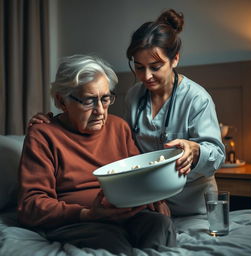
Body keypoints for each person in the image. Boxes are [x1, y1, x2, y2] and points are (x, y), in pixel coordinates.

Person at [29, 9, 225, 216]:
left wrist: (195, 151)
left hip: (190, 203)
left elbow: (217, 155)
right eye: (139, 67)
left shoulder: (196, 99)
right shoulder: (133, 96)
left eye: (155, 67)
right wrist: (55, 121)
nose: (146, 76)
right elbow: (122, 148)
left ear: (174, 59)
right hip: (147, 201)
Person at [17, 55, 176, 255]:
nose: (100, 110)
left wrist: (155, 199)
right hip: (78, 222)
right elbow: (31, 205)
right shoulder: (43, 135)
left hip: (127, 214)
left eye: (105, 98)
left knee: (160, 225)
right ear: (61, 101)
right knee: (113, 243)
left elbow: (140, 178)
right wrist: (87, 214)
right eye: (88, 101)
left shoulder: (119, 127)